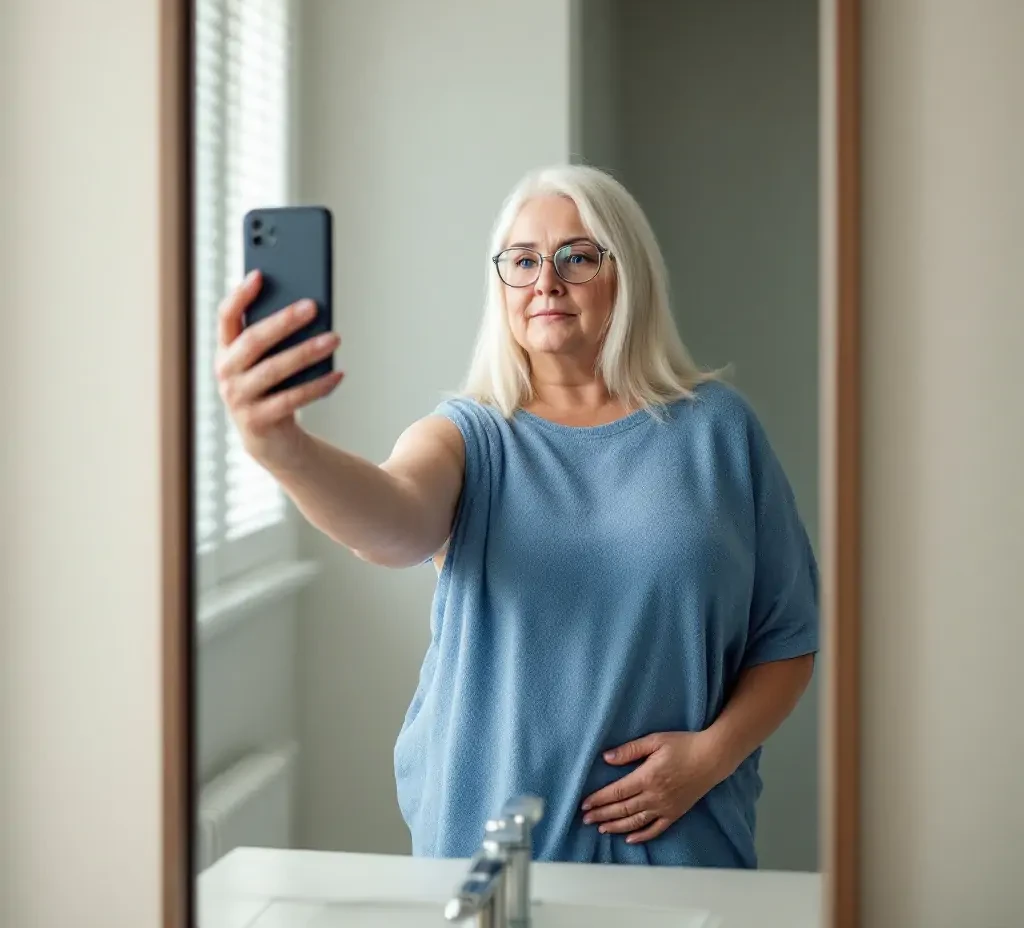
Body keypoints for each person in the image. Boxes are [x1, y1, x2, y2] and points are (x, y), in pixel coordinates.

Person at [214, 164, 819, 869]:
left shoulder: (720, 431)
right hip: (490, 858)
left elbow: (787, 635)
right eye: (524, 261)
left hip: (681, 840)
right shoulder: (468, 436)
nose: (546, 282)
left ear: (628, 273)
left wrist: (710, 758)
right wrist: (281, 448)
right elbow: (393, 521)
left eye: (576, 257)